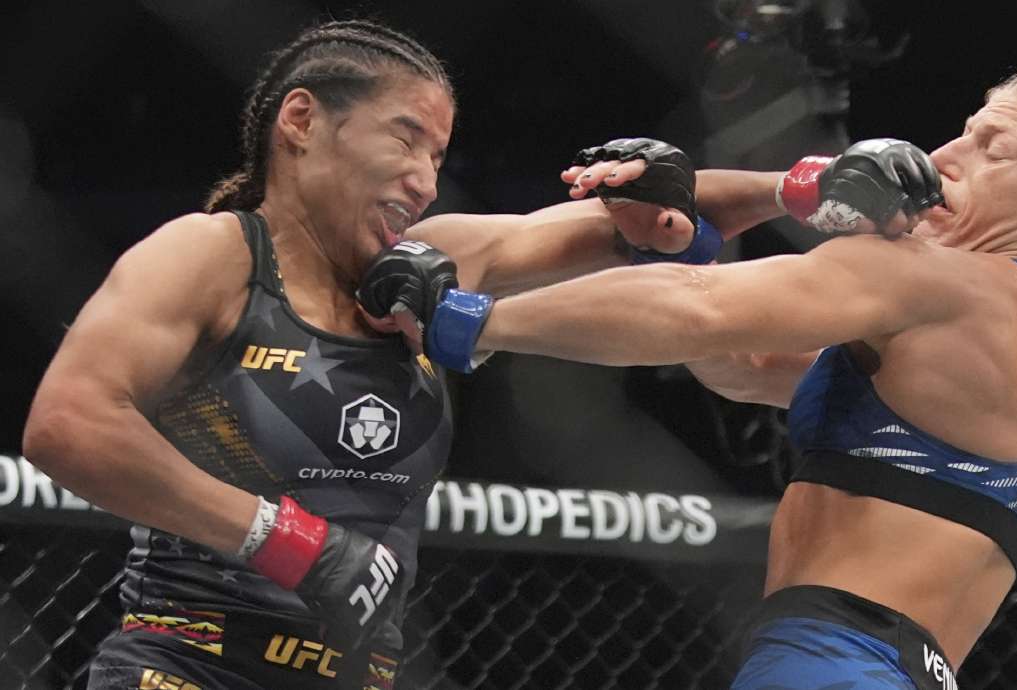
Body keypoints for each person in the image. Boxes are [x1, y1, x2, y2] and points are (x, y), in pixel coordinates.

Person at [367, 66, 1017, 689]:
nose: (948, 154)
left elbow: (702, 313)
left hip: (833, 662)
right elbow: (747, 364)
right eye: (964, 131)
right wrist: (686, 247)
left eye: (995, 148)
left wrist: (471, 321)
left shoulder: (952, 282)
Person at [20, 19, 728, 690]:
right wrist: (288, 541)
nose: (424, 178)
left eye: (437, 155)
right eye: (405, 138)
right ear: (300, 121)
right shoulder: (214, 254)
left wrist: (776, 190)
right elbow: (69, 422)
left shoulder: (428, 265)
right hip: (186, 666)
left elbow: (636, 223)